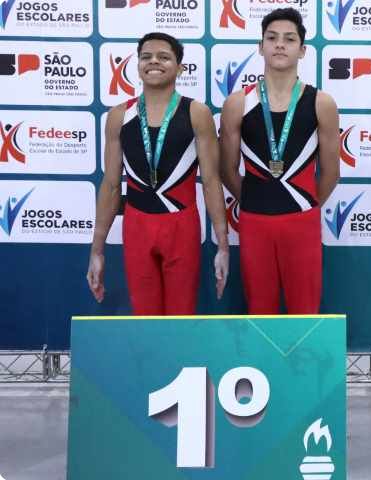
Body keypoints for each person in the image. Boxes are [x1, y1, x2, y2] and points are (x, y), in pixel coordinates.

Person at [87, 32, 229, 314]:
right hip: (137, 227)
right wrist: (96, 250)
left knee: (181, 315)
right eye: (146, 57)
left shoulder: (196, 113)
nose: (154, 61)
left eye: (164, 57)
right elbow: (111, 186)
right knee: (144, 317)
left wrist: (223, 246)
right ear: (138, 65)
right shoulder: (119, 116)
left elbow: (211, 182)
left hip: (181, 227)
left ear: (180, 68)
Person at [220, 7, 340, 314]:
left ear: (302, 50)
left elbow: (331, 172)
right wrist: (256, 198)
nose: (280, 45)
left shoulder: (321, 103)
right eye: (272, 38)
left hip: (302, 220)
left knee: (305, 309)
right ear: (261, 47)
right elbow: (227, 169)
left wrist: (305, 204)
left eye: (289, 39)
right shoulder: (237, 103)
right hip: (254, 219)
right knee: (260, 308)